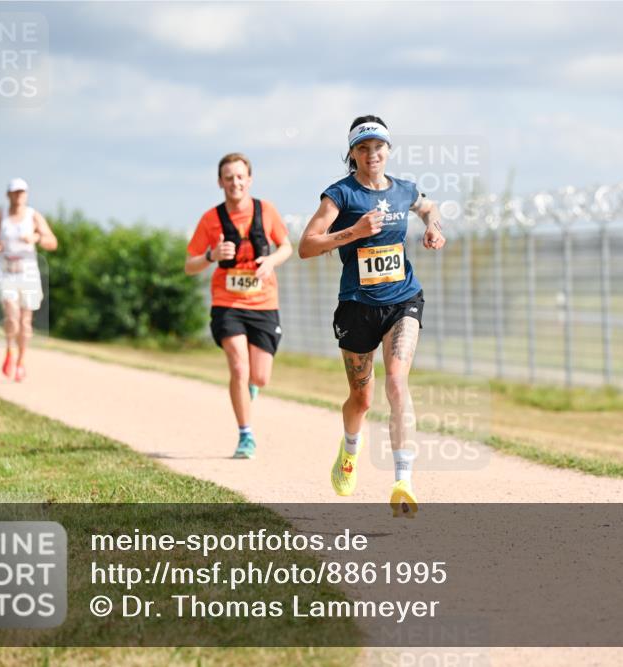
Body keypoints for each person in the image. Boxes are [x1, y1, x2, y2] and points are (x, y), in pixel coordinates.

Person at [298, 116, 445, 517]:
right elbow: (307, 246)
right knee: (361, 399)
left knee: (397, 382)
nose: (372, 154)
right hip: (357, 306)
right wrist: (354, 232)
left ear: (388, 150)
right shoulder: (340, 195)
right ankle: (349, 450)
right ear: (352, 154)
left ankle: (403, 481)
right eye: (363, 148)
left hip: (403, 299)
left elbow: (427, 206)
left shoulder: (404, 190)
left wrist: (432, 226)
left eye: (378, 146)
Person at [185, 153, 293, 459]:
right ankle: (246, 436)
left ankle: (252, 387)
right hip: (227, 302)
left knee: (260, 377)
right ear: (220, 182)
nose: (235, 182)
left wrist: (271, 261)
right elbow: (189, 265)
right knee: (238, 366)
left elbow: (286, 246)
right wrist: (211, 256)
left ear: (250, 179)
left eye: (240, 176)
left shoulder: (266, 210)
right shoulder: (210, 219)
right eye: (229, 177)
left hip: (263, 302)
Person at [0, 178, 58, 381]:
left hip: (27, 271)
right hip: (5, 270)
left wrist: (36, 238)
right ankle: (9, 350)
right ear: (8, 194)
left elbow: (52, 242)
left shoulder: (33, 216)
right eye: (15, 192)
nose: (19, 195)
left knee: (25, 321)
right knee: (12, 317)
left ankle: (21, 361)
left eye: (22, 192)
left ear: (26, 194)